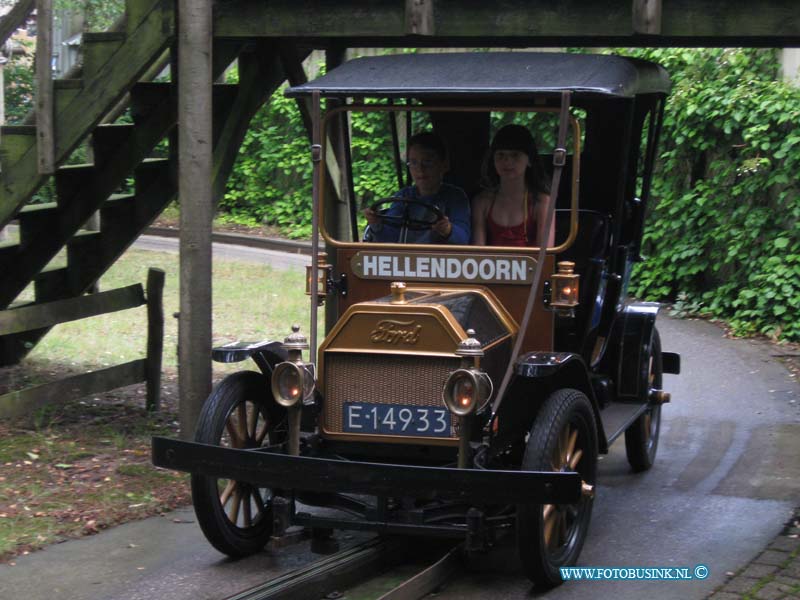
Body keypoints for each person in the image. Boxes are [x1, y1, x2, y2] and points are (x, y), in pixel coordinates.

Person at [363, 132, 470, 244]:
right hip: (406, 258)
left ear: (444, 165)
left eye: (427, 162)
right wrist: (376, 224)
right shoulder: (403, 196)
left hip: (440, 259)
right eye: (413, 163)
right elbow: (389, 238)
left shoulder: (455, 197)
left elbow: (464, 239)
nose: (420, 169)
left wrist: (448, 230)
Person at [471, 124, 554, 248]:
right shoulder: (482, 202)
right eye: (501, 155)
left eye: (515, 155)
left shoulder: (542, 202)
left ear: (530, 160)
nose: (507, 161)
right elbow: (478, 256)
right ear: (493, 160)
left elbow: (546, 256)